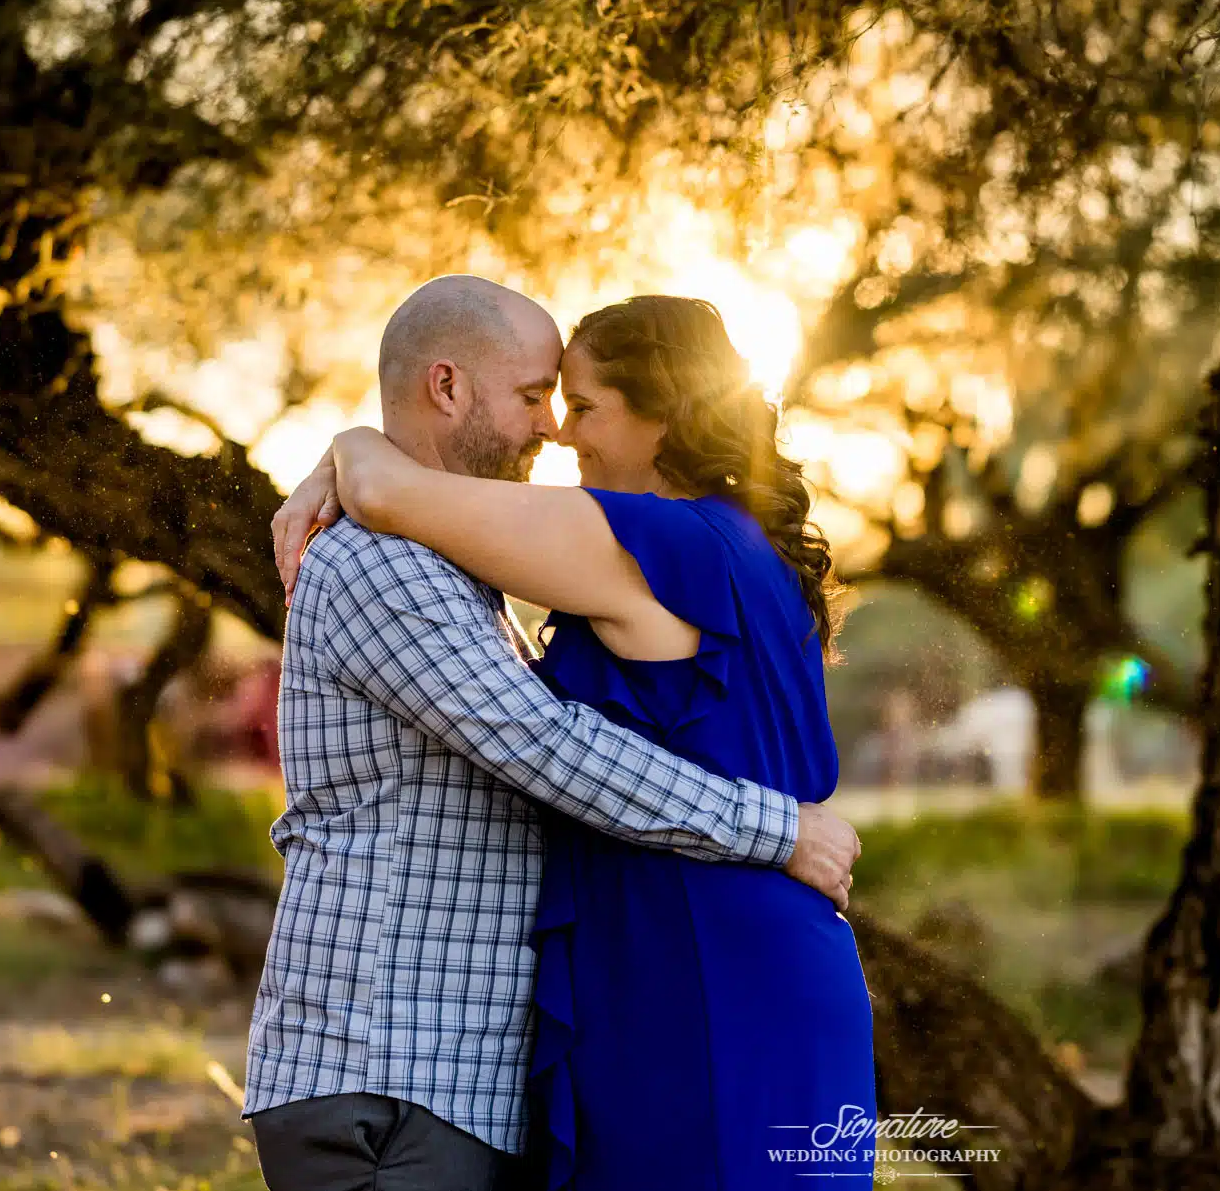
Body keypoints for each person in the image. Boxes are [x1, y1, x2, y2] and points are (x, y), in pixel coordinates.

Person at [248, 277, 863, 1191]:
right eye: (541, 400)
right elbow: (540, 737)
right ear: (451, 386)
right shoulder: (739, 548)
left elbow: (544, 738)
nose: (559, 431)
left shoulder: (646, 539)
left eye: (579, 405)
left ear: (666, 419)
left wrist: (350, 452)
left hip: (692, 971)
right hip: (736, 966)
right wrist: (346, 452)